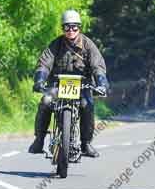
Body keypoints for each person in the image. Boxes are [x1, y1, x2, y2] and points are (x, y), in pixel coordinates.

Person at [28, 10, 109, 157]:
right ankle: (39, 140)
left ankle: (86, 143)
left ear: (79, 28)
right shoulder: (56, 44)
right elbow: (44, 63)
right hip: (58, 85)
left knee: (87, 105)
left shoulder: (88, 45)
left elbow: (98, 66)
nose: (71, 30)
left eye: (74, 27)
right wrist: (39, 80)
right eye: (67, 27)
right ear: (63, 28)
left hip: (82, 86)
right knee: (46, 101)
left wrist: (102, 84)